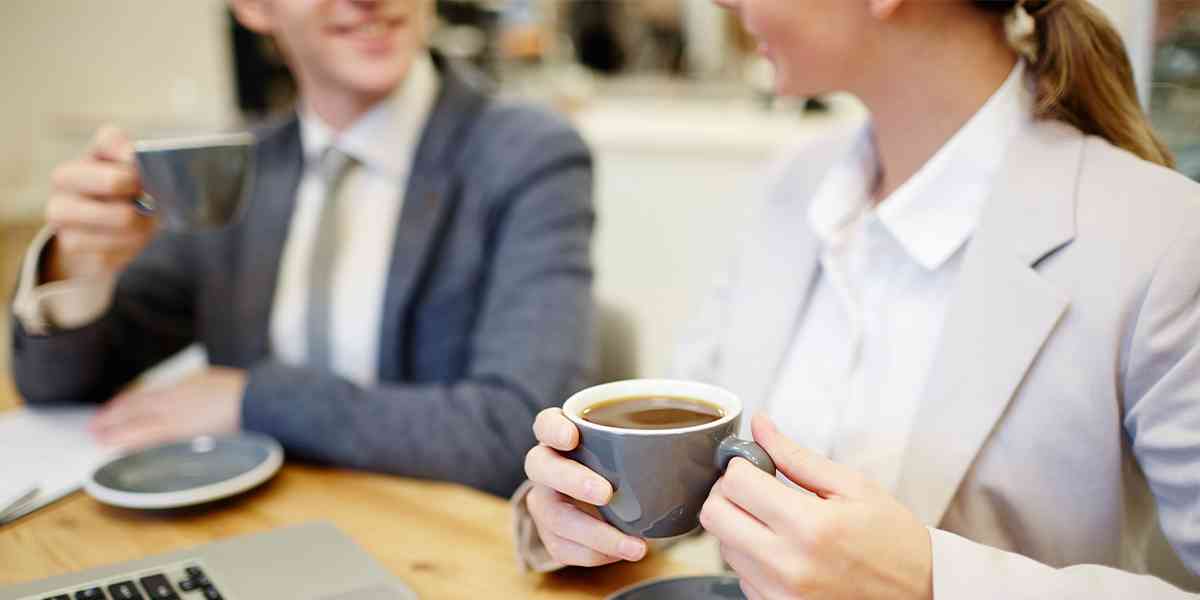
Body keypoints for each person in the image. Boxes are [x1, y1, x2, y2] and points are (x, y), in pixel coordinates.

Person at [516, 0, 1200, 597]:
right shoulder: (790, 190)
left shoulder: (1163, 240)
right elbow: (683, 476)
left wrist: (932, 583)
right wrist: (583, 512)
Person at [9, 0, 595, 498]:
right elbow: (54, 387)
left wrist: (252, 399)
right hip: (264, 525)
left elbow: (523, 430)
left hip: (438, 543)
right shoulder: (234, 172)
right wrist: (81, 271)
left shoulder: (524, 155)